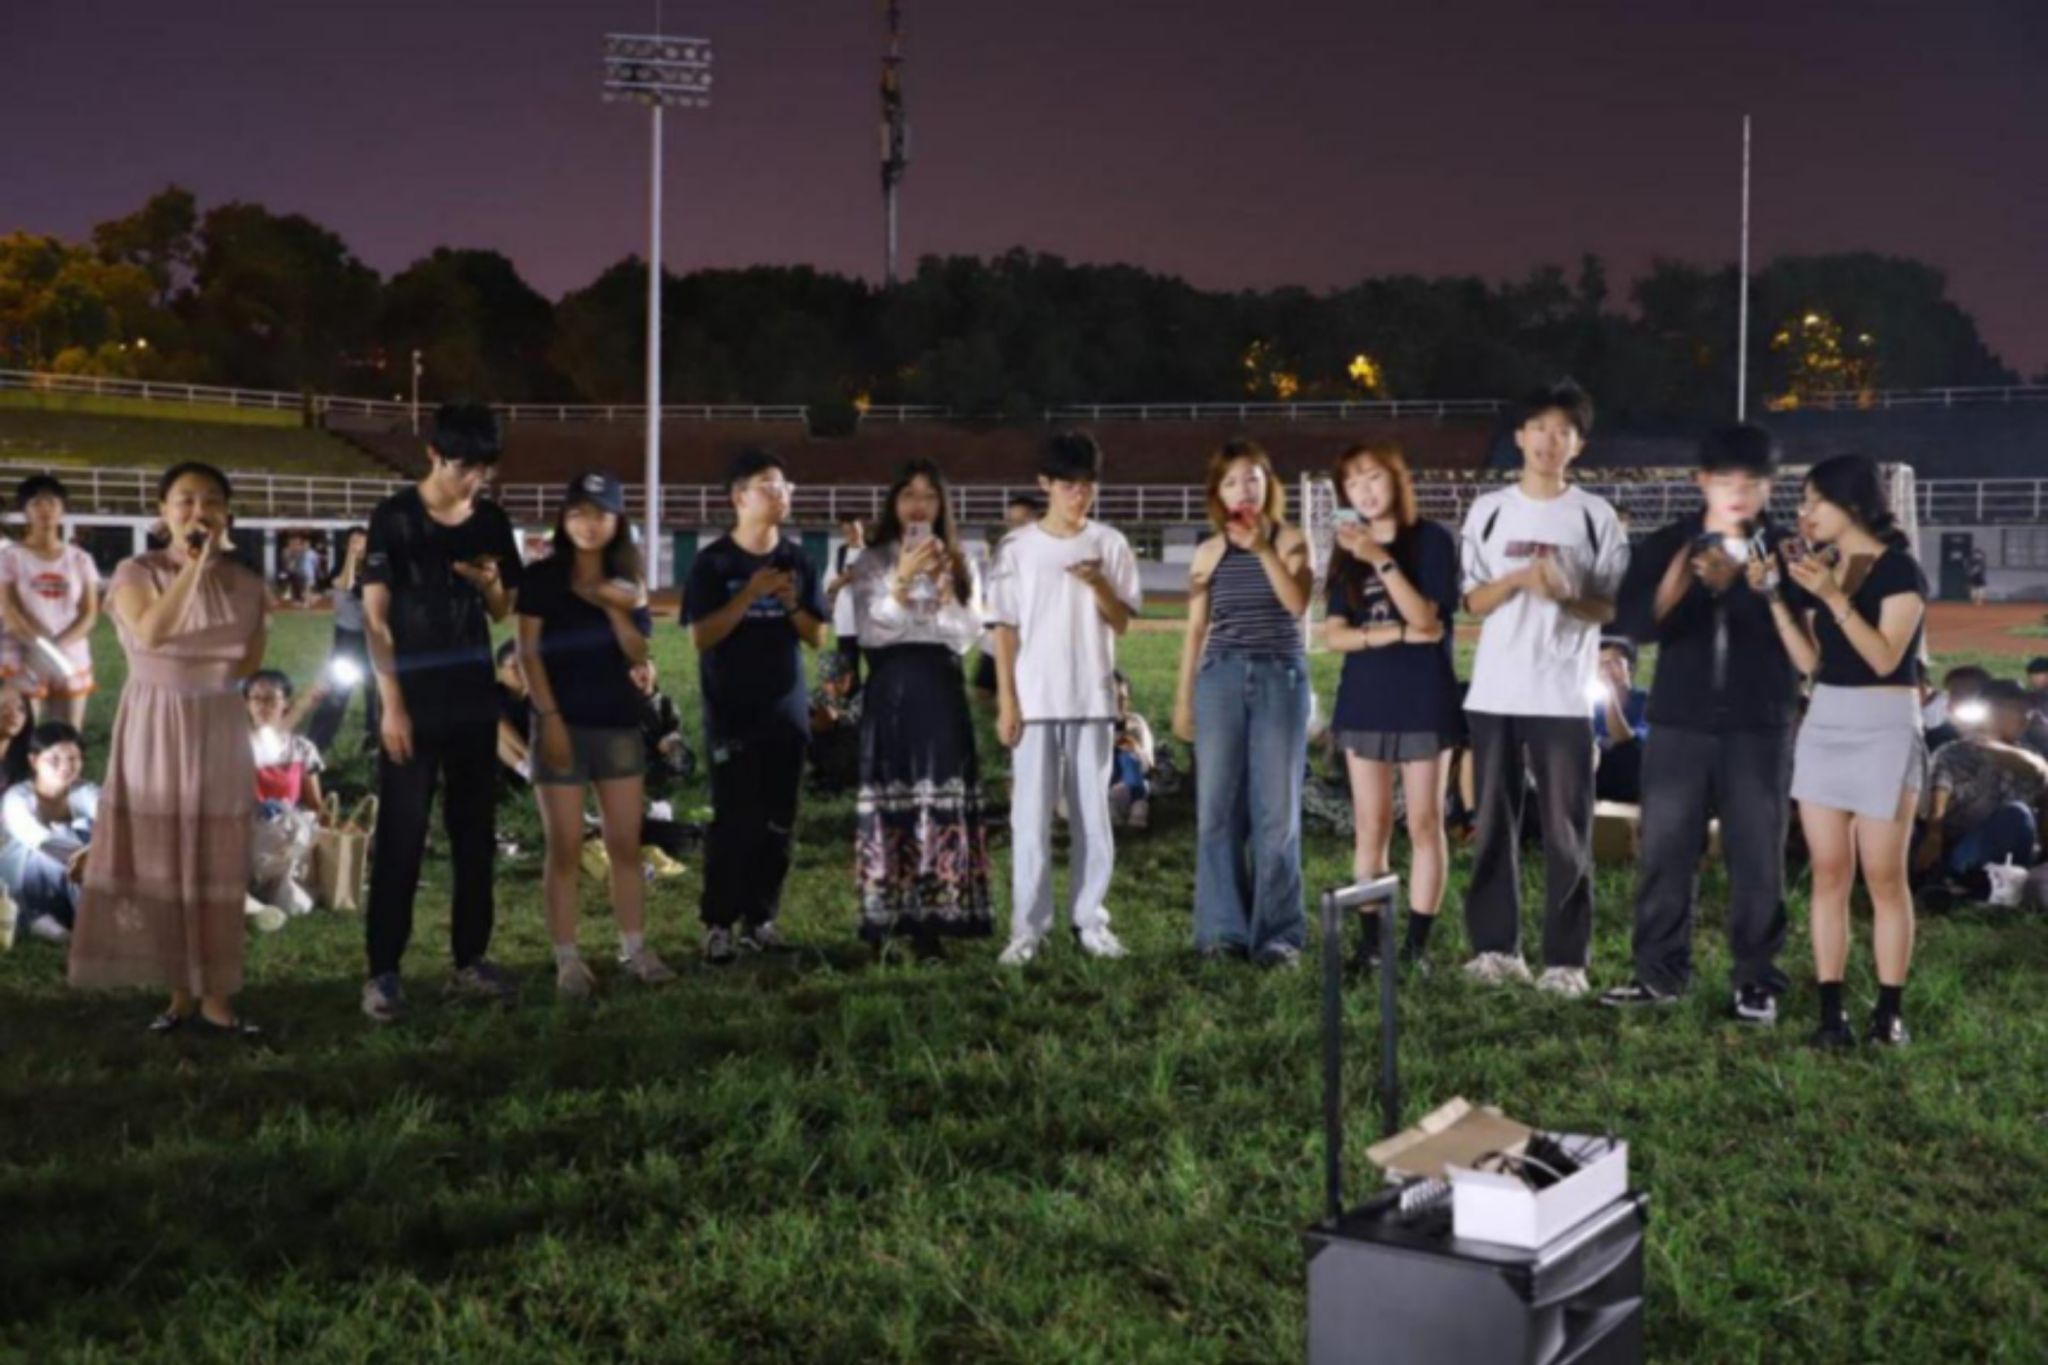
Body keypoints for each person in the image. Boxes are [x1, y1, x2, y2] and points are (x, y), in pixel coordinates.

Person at [1599, 423, 1801, 1022]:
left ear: (1770, 486)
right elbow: (1639, 623)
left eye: (1752, 482)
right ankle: (1658, 973)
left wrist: (1748, 589)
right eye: (1725, 480)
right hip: (1678, 721)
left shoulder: (1787, 550)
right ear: (1701, 482)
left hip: (1759, 723)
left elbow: (1801, 636)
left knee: (1757, 854)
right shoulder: (1668, 543)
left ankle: (1757, 978)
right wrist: (1685, 577)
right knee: (1665, 850)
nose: (1738, 493)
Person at [68, 462, 269, 1037]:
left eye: (211, 500)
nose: (198, 510)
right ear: (163, 512)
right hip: (155, 723)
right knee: (161, 862)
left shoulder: (249, 583)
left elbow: (248, 663)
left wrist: (217, 575)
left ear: (228, 513)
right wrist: (196, 564)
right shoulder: (137, 572)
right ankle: (179, 992)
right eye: (185, 500)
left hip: (218, 725)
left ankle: (217, 998)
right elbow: (153, 631)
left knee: (217, 859)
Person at [1458, 381, 1629, 997]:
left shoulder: (1595, 516)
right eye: (1539, 428)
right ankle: (1496, 949)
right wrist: (1520, 580)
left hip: (1561, 696)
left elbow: (1608, 606)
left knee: (1566, 832)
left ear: (1577, 445)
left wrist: (1568, 594)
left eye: (1563, 431)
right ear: (1520, 436)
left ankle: (1566, 961)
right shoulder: (1489, 510)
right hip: (1495, 692)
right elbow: (1472, 600)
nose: (1548, 441)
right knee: (1492, 826)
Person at [359, 403, 524, 1023]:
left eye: (484, 469)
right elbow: (376, 619)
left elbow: (503, 608)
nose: (473, 480)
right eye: (463, 467)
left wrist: (487, 584)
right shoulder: (395, 518)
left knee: (474, 835)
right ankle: (383, 971)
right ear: (433, 455)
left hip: (473, 697)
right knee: (402, 836)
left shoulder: (493, 520)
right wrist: (392, 706)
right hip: (412, 699)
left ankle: (469, 960)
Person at [1769, 453, 1928, 1048]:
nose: (1804, 513)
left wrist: (1833, 596)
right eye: (1802, 502)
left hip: (1885, 724)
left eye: (1815, 501)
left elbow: (1885, 657)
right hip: (1827, 721)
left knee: (1884, 876)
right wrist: (1776, 598)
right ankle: (1830, 1014)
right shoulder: (1825, 568)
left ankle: (1889, 1013)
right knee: (1829, 872)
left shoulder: (1899, 570)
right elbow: (1814, 664)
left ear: (1853, 504)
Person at [988, 431, 1142, 965]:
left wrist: (1099, 585)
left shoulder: (1110, 543)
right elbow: (1003, 628)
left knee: (1092, 816)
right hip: (1035, 700)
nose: (1080, 496)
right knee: (1029, 817)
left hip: (1091, 697)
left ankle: (1089, 920)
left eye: (1088, 486)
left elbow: (1121, 622)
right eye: (1069, 485)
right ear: (1046, 484)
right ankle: (1027, 928)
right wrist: (1008, 701)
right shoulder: (1018, 548)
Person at [517, 471, 673, 997]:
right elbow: (529, 654)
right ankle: (567, 958)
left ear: (617, 521)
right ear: (563, 518)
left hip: (617, 723)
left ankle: (634, 948)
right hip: (559, 722)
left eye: (600, 513)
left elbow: (638, 652)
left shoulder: (629, 582)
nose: (589, 524)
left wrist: (610, 602)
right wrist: (549, 719)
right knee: (564, 847)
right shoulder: (542, 577)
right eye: (579, 512)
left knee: (625, 844)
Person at [1319, 442, 1462, 974]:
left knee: (1424, 822)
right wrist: (1392, 634)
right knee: (1371, 825)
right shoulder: (1344, 550)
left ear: (1397, 480)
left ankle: (1416, 948)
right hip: (1366, 696)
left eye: (1374, 477)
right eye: (1353, 484)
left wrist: (1379, 558)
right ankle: (1372, 944)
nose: (1365, 491)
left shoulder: (1431, 539)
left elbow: (1427, 619)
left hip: (1423, 696)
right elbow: (1334, 635)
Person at [681, 449, 828, 965]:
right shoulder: (714, 563)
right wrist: (749, 594)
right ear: (739, 497)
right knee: (733, 821)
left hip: (786, 712)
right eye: (769, 485)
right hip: (732, 713)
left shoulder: (799, 560)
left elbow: (816, 635)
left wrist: (788, 602)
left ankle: (761, 919)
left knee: (778, 823)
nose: (781, 495)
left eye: (785, 486)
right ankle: (719, 923)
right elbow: (700, 636)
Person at [1170, 438, 1312, 967]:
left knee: (1278, 813)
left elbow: (1296, 604)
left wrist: (1262, 549)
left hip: (1280, 677)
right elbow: (1195, 629)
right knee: (1216, 811)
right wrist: (1183, 700)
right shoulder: (1208, 552)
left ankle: (1278, 935)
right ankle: (1221, 931)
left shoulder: (1292, 541)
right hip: (1221, 678)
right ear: (1219, 495)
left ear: (1268, 485)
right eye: (1231, 482)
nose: (1243, 489)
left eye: (1253, 477)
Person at [844, 457, 994, 957]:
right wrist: (901, 582)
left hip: (941, 689)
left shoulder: (963, 560)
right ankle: (885, 920)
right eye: (908, 494)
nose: (918, 505)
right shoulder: (871, 561)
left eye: (929, 496)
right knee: (893, 801)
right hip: (891, 687)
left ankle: (934, 921)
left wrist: (947, 595)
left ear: (942, 505)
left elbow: (967, 636)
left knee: (937, 800)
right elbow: (873, 631)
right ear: (893, 502)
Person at [1917, 679, 2046, 896]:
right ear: (1993, 712)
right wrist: (1933, 836)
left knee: (2017, 815)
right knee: (2016, 814)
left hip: (2012, 855)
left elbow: (2039, 772)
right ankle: (1954, 883)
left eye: (2029, 711)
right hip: (1963, 850)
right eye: (2019, 710)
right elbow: (1936, 804)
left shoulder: (2030, 755)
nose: (2027, 718)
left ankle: (1970, 890)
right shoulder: (1954, 753)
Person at [0, 475, 100, 730]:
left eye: (52, 502)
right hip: (23, 654)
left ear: (63, 509)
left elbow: (89, 613)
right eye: (36, 503)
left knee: (67, 734)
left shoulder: (80, 559)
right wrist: (40, 646)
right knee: (20, 733)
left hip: (70, 656)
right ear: (25, 511)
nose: (45, 509)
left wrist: (57, 648)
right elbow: (11, 611)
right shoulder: (9, 557)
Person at [0, 721, 98, 944]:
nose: (65, 767)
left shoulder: (84, 791)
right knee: (57, 842)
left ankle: (89, 918)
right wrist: (91, 856)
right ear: (34, 761)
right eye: (54, 759)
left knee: (91, 832)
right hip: (28, 880)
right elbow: (38, 839)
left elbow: (112, 821)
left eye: (73, 759)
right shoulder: (17, 799)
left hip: (77, 876)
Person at [243, 669, 326, 915]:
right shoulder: (236, 746)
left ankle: (271, 890)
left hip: (289, 828)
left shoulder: (302, 749)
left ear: (285, 704)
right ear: (247, 704)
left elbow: (314, 803)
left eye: (270, 699)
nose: (262, 706)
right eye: (256, 699)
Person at [306, 526, 379, 754]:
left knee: (374, 693)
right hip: (347, 639)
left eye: (363, 541)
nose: (359, 545)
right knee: (338, 690)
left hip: (372, 639)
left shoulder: (377, 572)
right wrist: (351, 557)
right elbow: (345, 584)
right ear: (345, 545)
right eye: (353, 541)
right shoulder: (339, 571)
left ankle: (373, 741)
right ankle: (316, 743)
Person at [973, 495, 1044, 701]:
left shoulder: (1045, 552)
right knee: (982, 691)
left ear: (1037, 521)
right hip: (999, 630)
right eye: (1011, 522)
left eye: (1022, 522)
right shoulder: (1004, 549)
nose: (1016, 528)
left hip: (1028, 632)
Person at [1590, 640, 1649, 805]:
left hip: (1632, 782)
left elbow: (1628, 742)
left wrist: (1610, 694)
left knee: (1629, 750)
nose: (1606, 670)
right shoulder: (1589, 705)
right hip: (1595, 782)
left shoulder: (1647, 703)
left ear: (1630, 669)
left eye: (1615, 662)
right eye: (1601, 664)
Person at [1109, 671, 1157, 831]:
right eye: (1111, 699)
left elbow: (1149, 763)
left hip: (1132, 778)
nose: (1117, 706)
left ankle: (1137, 803)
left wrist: (1133, 744)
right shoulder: (1091, 726)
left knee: (1128, 756)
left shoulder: (1136, 722)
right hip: (1106, 781)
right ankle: (1113, 804)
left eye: (1122, 699)